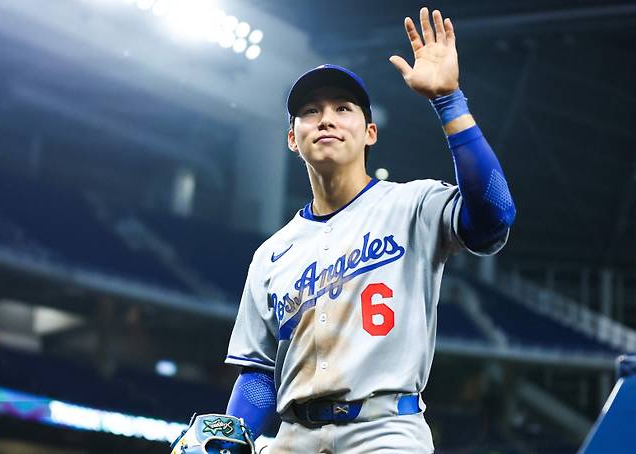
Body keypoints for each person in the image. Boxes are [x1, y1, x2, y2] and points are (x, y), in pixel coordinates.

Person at [176, 6, 516, 454]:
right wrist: (229, 436)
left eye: (343, 108)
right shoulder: (272, 254)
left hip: (385, 432)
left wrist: (449, 101)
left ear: (370, 132)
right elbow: (258, 372)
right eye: (310, 112)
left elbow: (494, 216)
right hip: (293, 436)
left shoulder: (411, 204)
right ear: (293, 139)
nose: (326, 118)